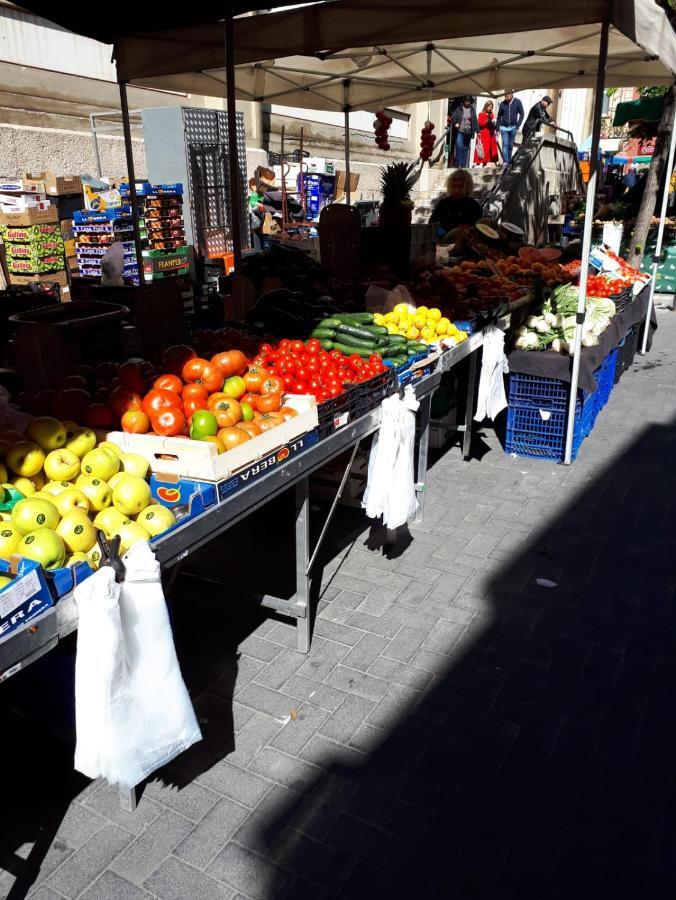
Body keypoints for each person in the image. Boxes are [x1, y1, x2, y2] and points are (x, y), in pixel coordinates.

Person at [429, 169, 482, 237]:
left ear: (467, 187)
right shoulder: (443, 204)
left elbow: (479, 228)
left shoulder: (473, 205)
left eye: (461, 186)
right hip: (444, 242)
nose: (457, 190)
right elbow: (432, 224)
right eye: (454, 186)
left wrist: (470, 228)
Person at [496, 89, 524, 164]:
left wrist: (518, 124)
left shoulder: (517, 102)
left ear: (512, 94)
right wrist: (497, 127)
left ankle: (508, 161)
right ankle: (506, 162)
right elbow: (499, 116)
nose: (506, 96)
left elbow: (522, 113)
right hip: (504, 128)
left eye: (507, 94)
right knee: (505, 144)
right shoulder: (502, 104)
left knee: (510, 145)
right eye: (505, 94)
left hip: (513, 127)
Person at [451, 97, 479, 168]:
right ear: (464, 102)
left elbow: (475, 121)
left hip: (468, 132)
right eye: (466, 101)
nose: (467, 103)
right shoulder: (459, 109)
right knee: (459, 146)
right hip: (460, 131)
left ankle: (463, 165)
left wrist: (478, 131)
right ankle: (459, 164)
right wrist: (456, 123)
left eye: (469, 101)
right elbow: (453, 118)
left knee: (465, 148)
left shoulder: (472, 110)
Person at [474, 101, 500, 166]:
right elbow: (481, 123)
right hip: (483, 134)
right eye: (489, 107)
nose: (490, 108)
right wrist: (488, 120)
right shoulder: (481, 114)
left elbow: (493, 124)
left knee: (489, 150)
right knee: (483, 150)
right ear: (486, 107)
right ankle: (480, 163)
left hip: (490, 134)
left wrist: (494, 123)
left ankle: (486, 163)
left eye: (491, 107)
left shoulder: (492, 114)